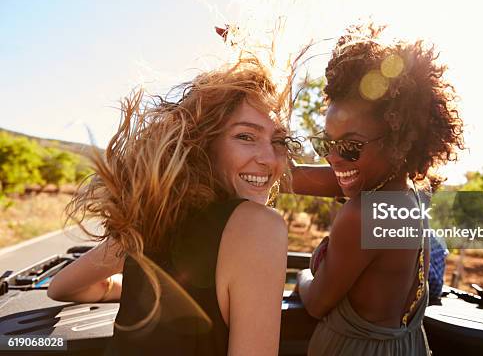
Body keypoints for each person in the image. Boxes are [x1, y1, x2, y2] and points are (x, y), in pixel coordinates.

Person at [47, 55, 299, 355]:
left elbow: (62, 287)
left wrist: (139, 290)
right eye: (245, 136)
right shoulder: (259, 226)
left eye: (280, 141)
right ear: (204, 142)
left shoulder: (153, 217)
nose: (269, 159)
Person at [293, 22, 464, 355]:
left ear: (398, 140)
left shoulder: (362, 214)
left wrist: (302, 276)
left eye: (350, 146)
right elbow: (329, 178)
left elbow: (315, 303)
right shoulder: (411, 191)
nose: (332, 158)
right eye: (327, 143)